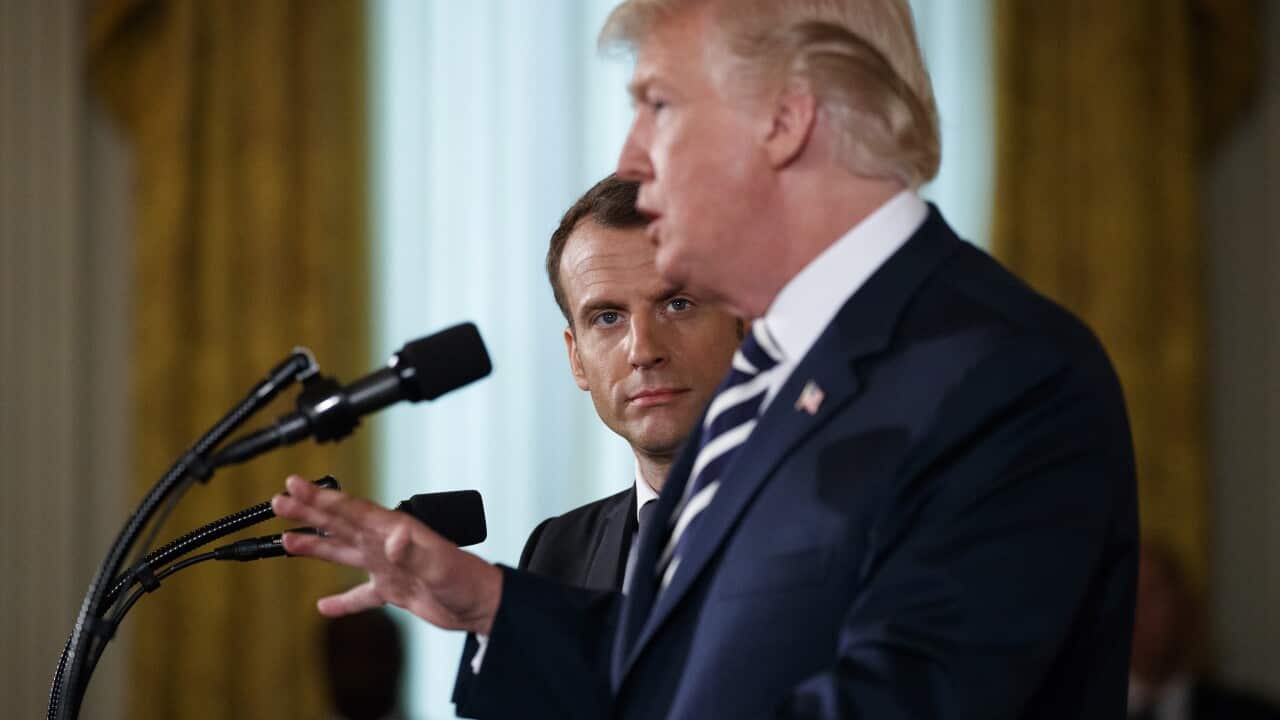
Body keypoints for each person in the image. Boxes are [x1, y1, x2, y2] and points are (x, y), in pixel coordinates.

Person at [272, 1, 1139, 718]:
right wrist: (493, 603)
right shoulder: (777, 379)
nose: (629, 159)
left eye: (658, 104)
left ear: (785, 117)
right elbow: (692, 679)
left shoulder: (1001, 374)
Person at [518, 174, 741, 592]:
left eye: (678, 304)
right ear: (576, 357)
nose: (642, 350)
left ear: (745, 323)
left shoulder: (839, 518)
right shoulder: (554, 554)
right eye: (607, 318)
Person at [1129, 542, 1280, 720]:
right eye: (1130, 597)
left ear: (1184, 606)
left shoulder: (1255, 714)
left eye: (1153, 593)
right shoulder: (1091, 709)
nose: (1141, 610)